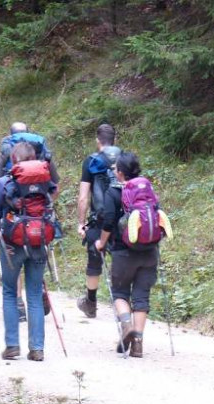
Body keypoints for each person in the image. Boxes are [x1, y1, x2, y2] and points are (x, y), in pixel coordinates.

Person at [0, 142, 56, 361]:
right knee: (35, 293)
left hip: (11, 244)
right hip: (39, 240)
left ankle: (12, 346)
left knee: (10, 292)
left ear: (14, 161)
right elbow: (51, 203)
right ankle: (37, 349)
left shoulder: (4, 182)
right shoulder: (47, 182)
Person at [94, 152, 159, 358]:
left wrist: (101, 243)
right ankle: (138, 343)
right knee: (142, 296)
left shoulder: (114, 192)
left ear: (120, 172)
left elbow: (108, 221)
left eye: (115, 169)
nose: (114, 171)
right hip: (149, 251)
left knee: (120, 292)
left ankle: (126, 325)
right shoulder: (146, 190)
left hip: (123, 252)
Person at [76, 123, 121, 318]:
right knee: (121, 258)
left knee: (94, 261)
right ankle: (123, 303)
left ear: (98, 141)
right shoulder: (125, 159)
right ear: (115, 140)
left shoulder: (91, 161)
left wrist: (81, 222)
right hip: (124, 220)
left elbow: (83, 197)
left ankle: (91, 303)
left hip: (99, 219)